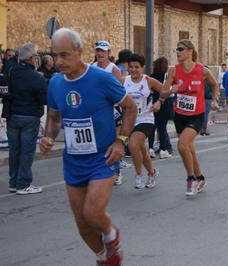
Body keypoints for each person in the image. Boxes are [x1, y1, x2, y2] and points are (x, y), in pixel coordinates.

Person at [39, 28, 137, 266]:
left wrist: (121, 141)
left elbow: (131, 107)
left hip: (102, 158)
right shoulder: (55, 83)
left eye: (64, 55)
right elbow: (53, 117)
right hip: (73, 161)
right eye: (55, 55)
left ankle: (111, 234)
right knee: (82, 223)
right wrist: (49, 137)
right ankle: (103, 257)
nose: (59, 61)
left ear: (79, 51)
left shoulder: (101, 78)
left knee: (92, 214)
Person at [160, 39, 219, 196]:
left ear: (190, 51)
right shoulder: (174, 70)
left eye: (181, 49)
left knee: (182, 145)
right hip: (179, 115)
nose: (178, 52)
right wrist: (172, 90)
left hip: (197, 115)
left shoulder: (202, 70)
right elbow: (162, 93)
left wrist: (214, 99)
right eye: (176, 49)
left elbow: (215, 84)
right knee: (190, 151)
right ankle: (201, 178)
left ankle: (191, 179)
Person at [3, 43, 47, 194]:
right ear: (33, 58)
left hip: (12, 115)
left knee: (15, 150)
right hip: (29, 116)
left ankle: (14, 182)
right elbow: (44, 99)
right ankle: (23, 184)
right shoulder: (36, 78)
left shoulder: (10, 71)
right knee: (27, 151)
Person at [92, 40, 132, 185]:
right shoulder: (92, 67)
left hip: (112, 109)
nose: (100, 53)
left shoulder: (113, 69)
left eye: (103, 51)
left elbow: (119, 91)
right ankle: (98, 171)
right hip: (97, 110)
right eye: (98, 50)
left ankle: (117, 172)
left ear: (108, 53)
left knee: (113, 141)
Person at [123, 53, 164, 189]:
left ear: (142, 68)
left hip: (146, 119)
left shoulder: (148, 81)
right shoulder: (124, 81)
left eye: (136, 67)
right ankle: (152, 173)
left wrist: (159, 102)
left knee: (133, 145)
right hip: (130, 121)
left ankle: (138, 174)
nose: (133, 70)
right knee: (142, 150)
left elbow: (166, 91)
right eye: (131, 67)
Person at [148, 56, 174, 158]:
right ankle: (163, 149)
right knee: (162, 128)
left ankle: (150, 148)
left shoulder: (151, 76)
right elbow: (169, 91)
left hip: (152, 102)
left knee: (152, 127)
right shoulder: (166, 76)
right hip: (163, 103)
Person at [200, 65, 214, 136]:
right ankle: (204, 129)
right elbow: (213, 87)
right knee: (205, 114)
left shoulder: (200, 79)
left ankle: (200, 128)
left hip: (200, 98)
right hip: (208, 98)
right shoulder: (209, 80)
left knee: (200, 114)